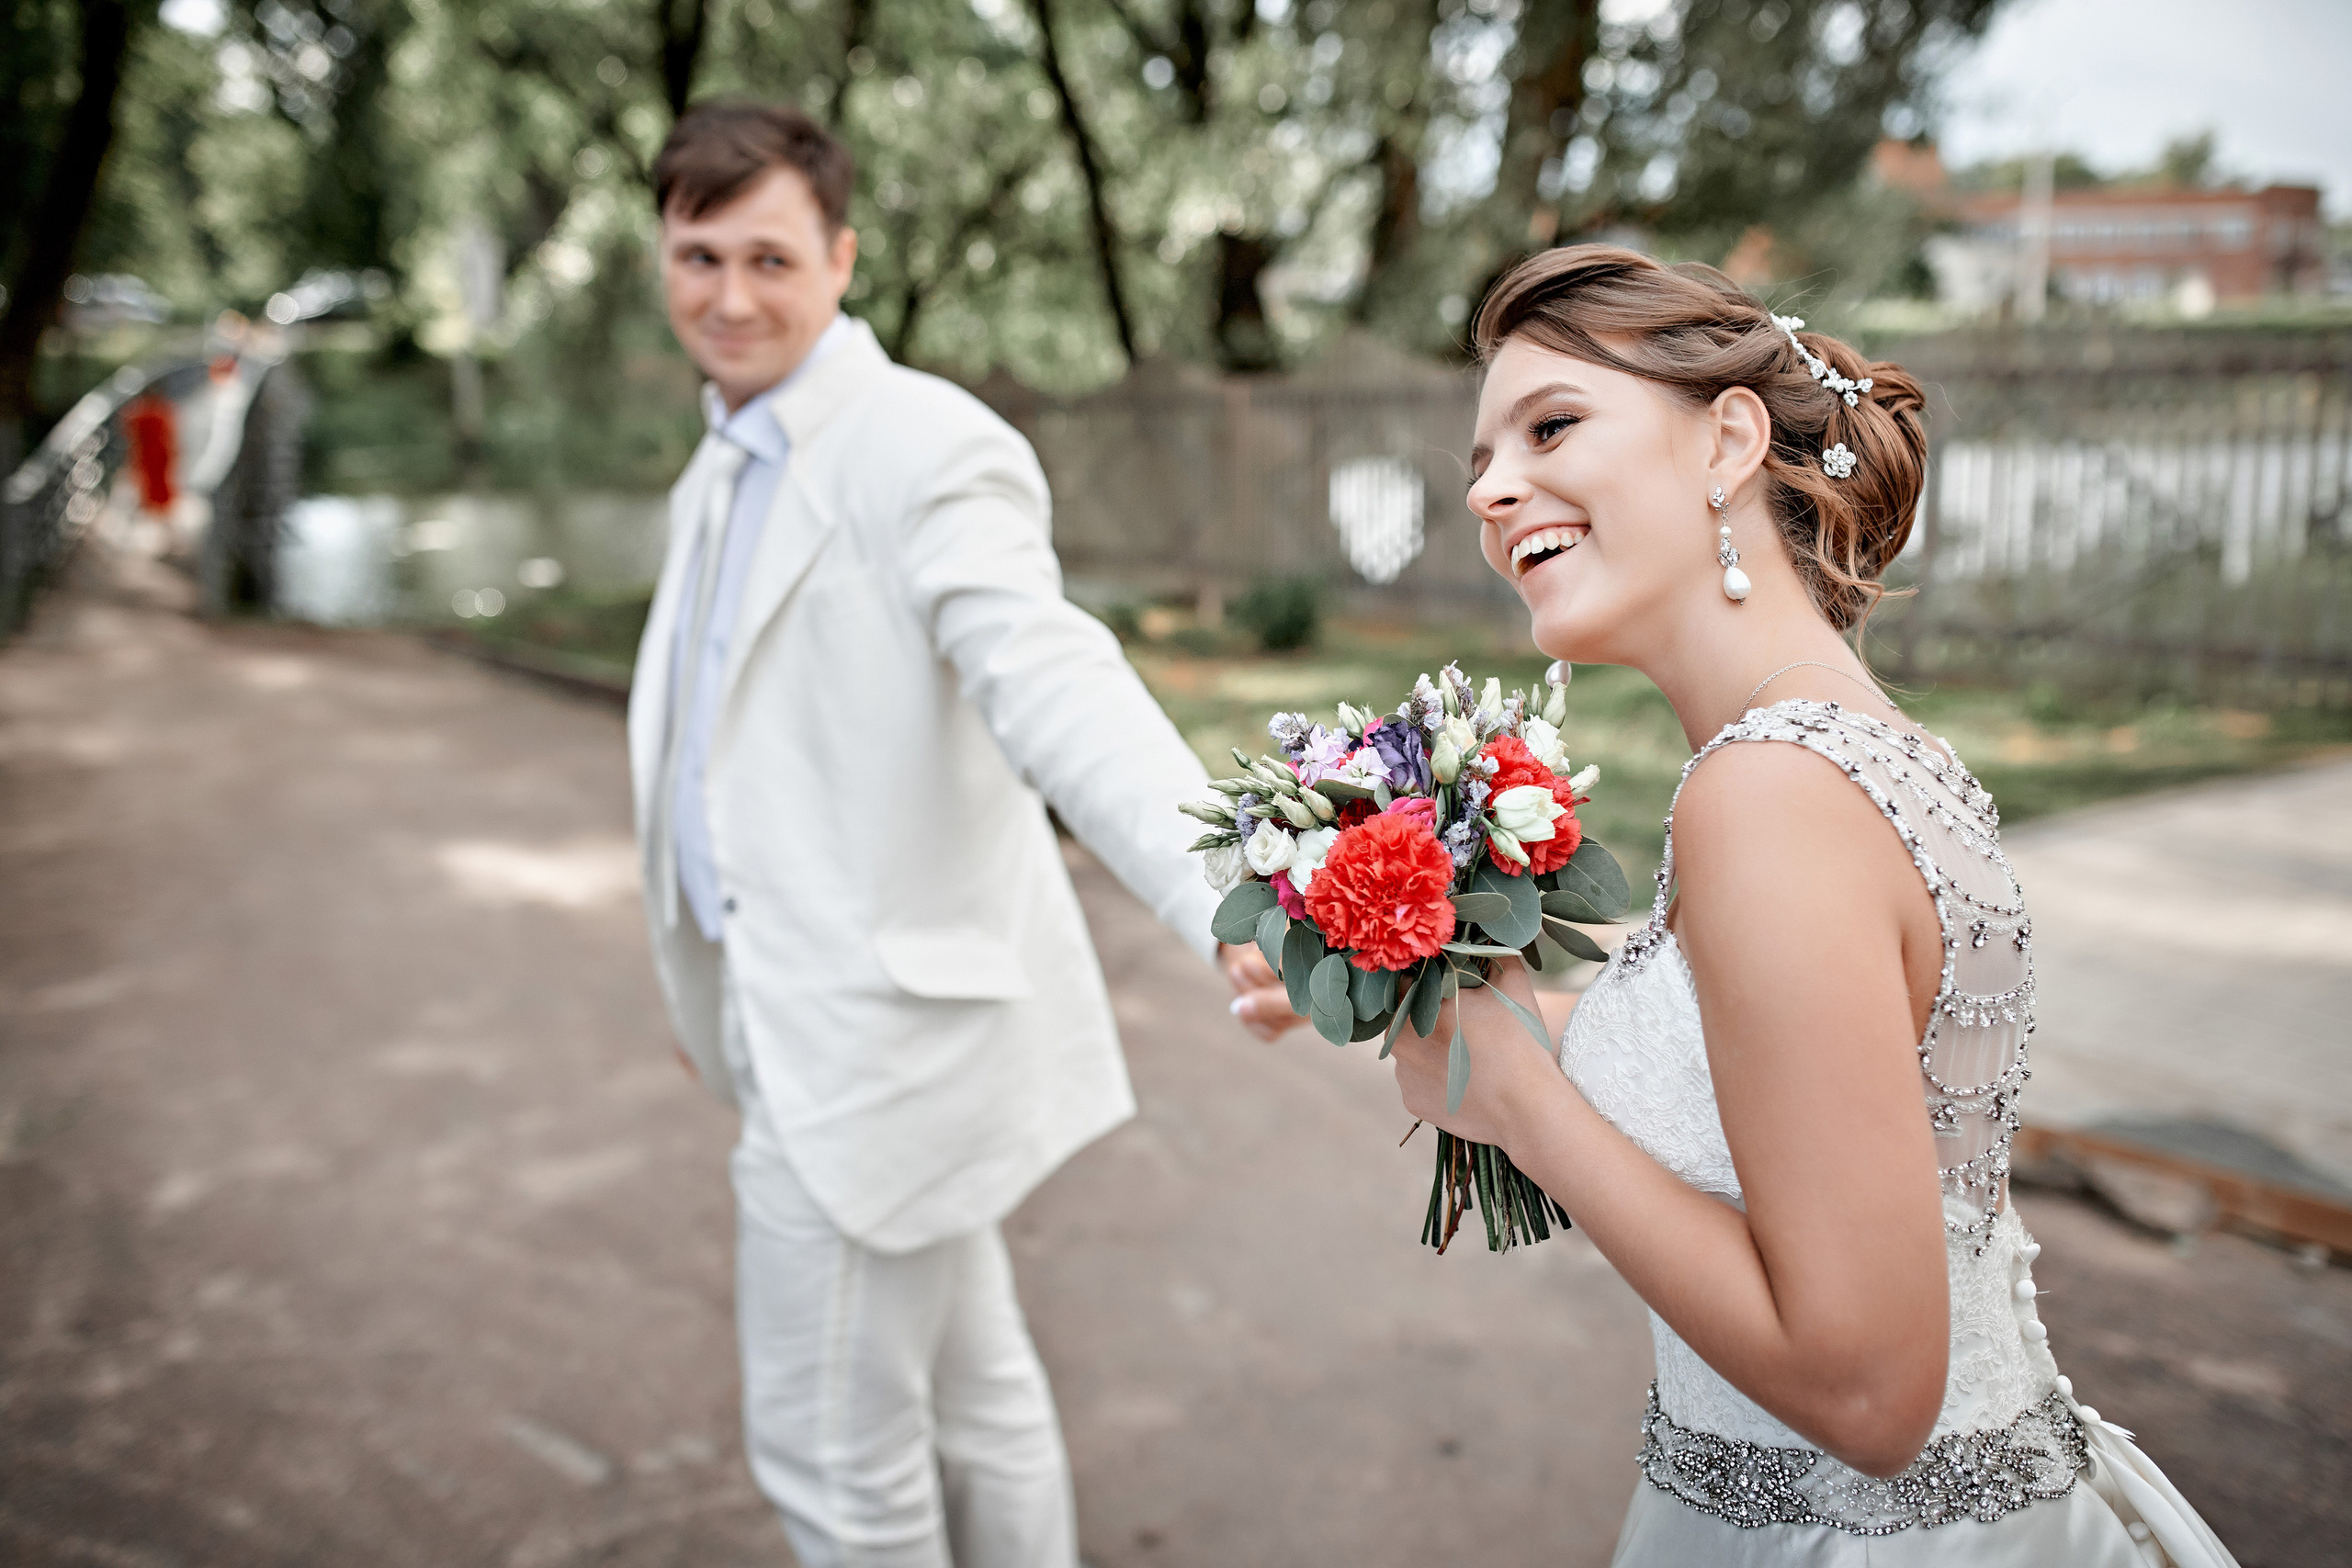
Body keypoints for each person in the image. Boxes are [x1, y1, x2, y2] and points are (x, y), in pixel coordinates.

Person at [1383, 246, 2239, 1566]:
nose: (1489, 490)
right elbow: (1746, 1063)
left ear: (1728, 442)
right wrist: (1412, 976)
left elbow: (1867, 1395)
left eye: (1550, 427)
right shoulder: (1847, 748)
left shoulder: (1769, 793)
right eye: (1483, 456)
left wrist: (1522, 1108)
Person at [625, 101, 1283, 1568]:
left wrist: (1229, 895)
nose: (730, 296)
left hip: (871, 1045)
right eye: (698, 256)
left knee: (833, 1462)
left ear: (842, 258)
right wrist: (706, 977)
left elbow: (1055, 683)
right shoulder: (721, 458)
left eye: (769, 259)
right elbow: (718, 754)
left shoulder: (925, 445)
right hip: (789, 1012)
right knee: (979, 1396)